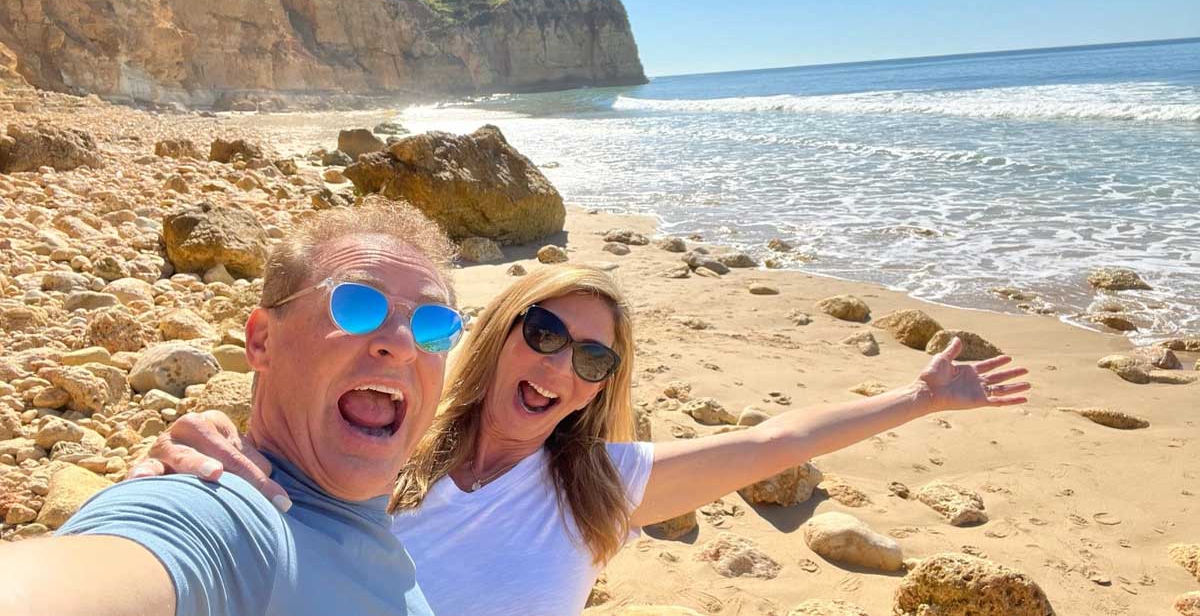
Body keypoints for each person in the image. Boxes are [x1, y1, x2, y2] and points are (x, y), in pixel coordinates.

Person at [140, 264, 1031, 615]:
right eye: (545, 333)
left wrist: (916, 395)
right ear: (499, 336)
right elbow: (264, 454)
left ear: (603, 382)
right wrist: (185, 455)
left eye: (594, 355)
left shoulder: (600, 487)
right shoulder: (387, 442)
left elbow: (773, 440)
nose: (563, 364)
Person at [0, 200, 467, 616]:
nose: (403, 345)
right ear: (262, 340)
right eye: (358, 304)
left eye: (434, 325)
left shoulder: (374, 539)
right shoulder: (224, 515)